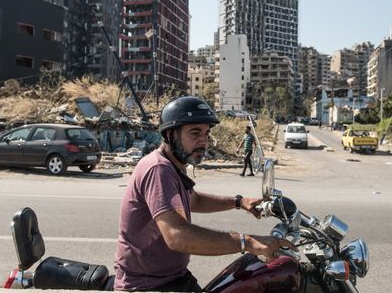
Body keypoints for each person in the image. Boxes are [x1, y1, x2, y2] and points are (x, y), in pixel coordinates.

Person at [113, 96, 296, 292]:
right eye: (195, 133)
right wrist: (248, 242)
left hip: (173, 277)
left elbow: (194, 200)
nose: (204, 142)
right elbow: (177, 236)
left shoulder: (174, 166)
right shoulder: (158, 169)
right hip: (147, 286)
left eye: (206, 134)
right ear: (170, 134)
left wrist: (239, 202)